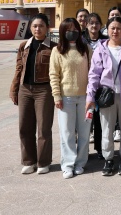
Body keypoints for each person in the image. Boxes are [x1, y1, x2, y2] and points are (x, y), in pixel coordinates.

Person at [86, 17, 121, 176]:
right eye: (112, 28)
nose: (115, 31)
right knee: (107, 129)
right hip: (106, 96)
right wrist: (90, 96)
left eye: (119, 28)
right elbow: (94, 75)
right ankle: (108, 159)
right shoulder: (100, 49)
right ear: (107, 30)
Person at [9, 13, 56, 175]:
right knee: (25, 127)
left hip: (44, 90)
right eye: (35, 26)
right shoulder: (24, 46)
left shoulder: (54, 47)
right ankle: (29, 161)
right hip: (25, 90)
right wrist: (14, 88)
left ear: (47, 28)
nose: (38, 29)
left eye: (41, 26)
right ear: (30, 28)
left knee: (44, 128)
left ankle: (43, 162)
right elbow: (19, 68)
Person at [49, 18, 92, 179]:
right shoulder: (57, 51)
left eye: (75, 29)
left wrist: (91, 95)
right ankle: (67, 164)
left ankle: (80, 162)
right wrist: (56, 96)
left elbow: (93, 73)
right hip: (65, 97)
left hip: (85, 97)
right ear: (62, 32)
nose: (72, 32)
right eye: (68, 29)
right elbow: (54, 74)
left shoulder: (86, 49)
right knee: (67, 133)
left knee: (84, 133)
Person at [84, 12, 105, 157]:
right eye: (91, 23)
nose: (94, 26)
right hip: (83, 84)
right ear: (86, 25)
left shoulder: (106, 41)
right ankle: (83, 150)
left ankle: (99, 148)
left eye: (97, 23)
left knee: (99, 119)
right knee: (85, 120)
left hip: (101, 85)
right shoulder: (81, 41)